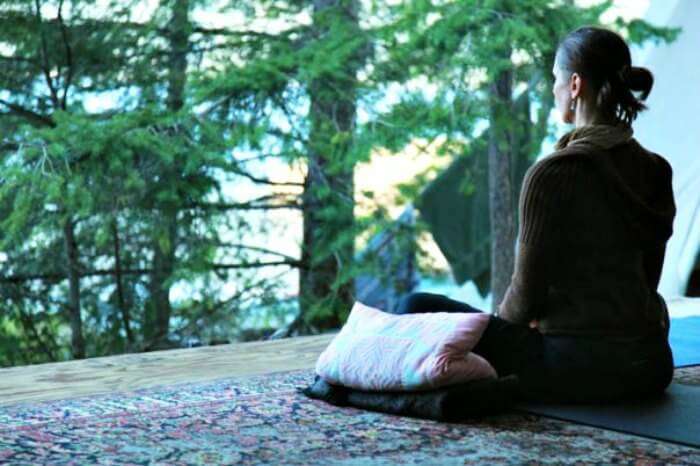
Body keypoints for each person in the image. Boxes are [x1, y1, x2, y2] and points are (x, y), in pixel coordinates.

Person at [394, 26, 677, 404]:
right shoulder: (657, 169)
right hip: (650, 364)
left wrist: (499, 330)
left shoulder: (553, 174)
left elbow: (524, 299)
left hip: (576, 366)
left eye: (555, 80)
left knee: (415, 307)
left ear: (574, 85)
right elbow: (648, 281)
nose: (553, 89)